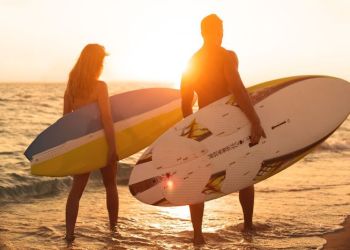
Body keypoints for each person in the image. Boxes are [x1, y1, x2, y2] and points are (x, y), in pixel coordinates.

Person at [180, 14, 266, 245]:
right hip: (231, 123)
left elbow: (185, 102)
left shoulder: (192, 61)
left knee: (198, 177)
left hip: (204, 123)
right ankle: (247, 227)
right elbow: (237, 88)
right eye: (219, 29)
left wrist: (191, 132)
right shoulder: (227, 57)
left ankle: (198, 235)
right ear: (213, 31)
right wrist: (255, 120)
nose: (221, 33)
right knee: (245, 171)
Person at [63, 44, 119, 242]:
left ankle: (69, 234)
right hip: (101, 142)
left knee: (76, 190)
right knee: (110, 185)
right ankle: (113, 231)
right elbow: (106, 118)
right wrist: (112, 147)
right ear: (96, 62)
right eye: (102, 60)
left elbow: (65, 120)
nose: (103, 64)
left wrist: (71, 149)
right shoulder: (100, 86)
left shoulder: (72, 85)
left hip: (81, 144)